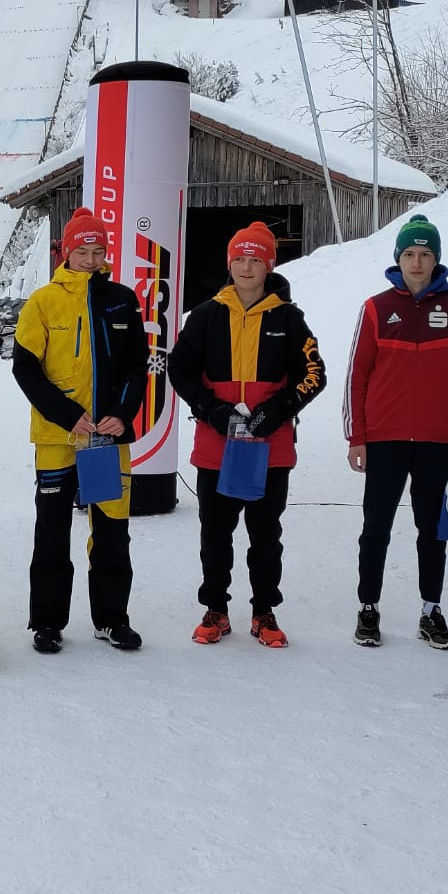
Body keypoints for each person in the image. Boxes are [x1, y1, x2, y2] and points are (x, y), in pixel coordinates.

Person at [167, 222, 327, 649]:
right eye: (239, 258)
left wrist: (279, 409)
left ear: (269, 264)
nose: (246, 267)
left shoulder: (289, 318)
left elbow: (315, 374)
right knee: (215, 535)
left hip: (269, 449)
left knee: (265, 536)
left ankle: (264, 611)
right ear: (229, 263)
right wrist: (211, 409)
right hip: (217, 447)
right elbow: (178, 368)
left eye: (255, 259)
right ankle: (215, 609)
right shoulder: (205, 315)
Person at [12, 207, 148, 653]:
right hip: (58, 437)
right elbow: (26, 369)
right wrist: (67, 415)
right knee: (52, 531)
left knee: (111, 530)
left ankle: (112, 619)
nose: (90, 260)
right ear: (65, 253)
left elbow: (137, 366)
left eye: (97, 252)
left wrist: (122, 414)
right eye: (82, 252)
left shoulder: (122, 299)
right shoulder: (42, 302)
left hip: (107, 439)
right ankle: (47, 623)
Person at [343, 215, 448, 650]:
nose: (417, 262)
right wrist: (356, 436)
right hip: (385, 438)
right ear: (397, 259)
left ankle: (430, 611)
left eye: (424, 254)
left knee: (433, 530)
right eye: (409, 254)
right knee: (376, 527)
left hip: (437, 441)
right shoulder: (376, 308)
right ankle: (368, 607)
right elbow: (357, 375)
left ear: (436, 259)